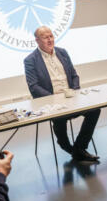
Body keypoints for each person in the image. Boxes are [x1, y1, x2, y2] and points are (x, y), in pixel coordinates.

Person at [23, 26, 100, 162]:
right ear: (37, 40)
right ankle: (66, 145)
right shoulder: (31, 60)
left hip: (71, 98)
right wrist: (54, 99)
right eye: (45, 37)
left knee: (94, 110)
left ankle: (79, 148)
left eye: (51, 36)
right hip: (51, 103)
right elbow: (34, 87)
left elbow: (74, 76)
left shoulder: (62, 52)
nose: (50, 40)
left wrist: (74, 90)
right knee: (60, 118)